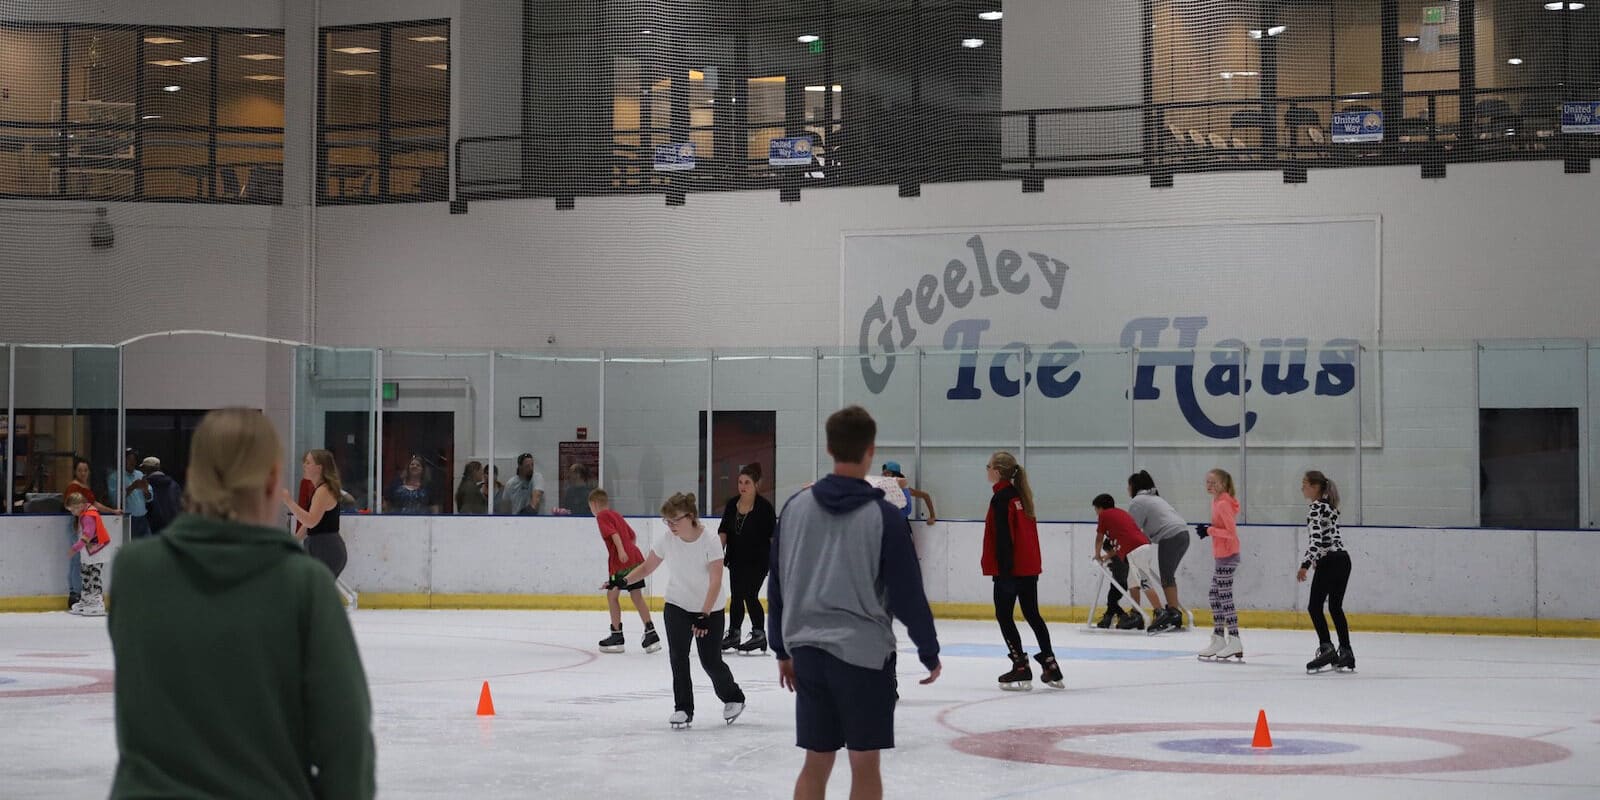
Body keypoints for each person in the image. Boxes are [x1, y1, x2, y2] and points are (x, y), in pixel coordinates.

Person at [107, 408, 375, 798]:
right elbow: (346, 741)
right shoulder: (303, 586)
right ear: (270, 480)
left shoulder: (134, 573)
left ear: (194, 475)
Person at [770, 405, 941, 800]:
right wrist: (928, 650)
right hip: (864, 657)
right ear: (870, 451)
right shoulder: (883, 517)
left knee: (816, 761)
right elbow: (907, 593)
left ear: (829, 448)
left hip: (808, 652)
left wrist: (782, 649)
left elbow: (777, 583)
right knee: (864, 763)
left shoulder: (794, 509)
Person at [615, 492, 745, 729]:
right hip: (677, 604)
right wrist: (624, 581)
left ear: (691, 516)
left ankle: (733, 696)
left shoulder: (710, 541)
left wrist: (704, 615)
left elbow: (716, 581)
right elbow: (647, 567)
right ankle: (683, 708)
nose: (671, 526)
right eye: (667, 521)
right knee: (678, 657)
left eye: (675, 520)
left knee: (710, 662)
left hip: (709, 608)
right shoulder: (667, 540)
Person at [980, 452, 1063, 691]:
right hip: (1027, 568)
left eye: (988, 467)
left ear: (997, 471)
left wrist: (1004, 572)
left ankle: (1020, 665)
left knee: (1004, 616)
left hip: (1011, 569)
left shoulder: (1001, 498)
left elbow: (1004, 537)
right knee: (1032, 614)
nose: (986, 471)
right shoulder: (1020, 496)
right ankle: (1050, 663)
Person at [717, 462, 777, 655]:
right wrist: (717, 555)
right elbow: (724, 531)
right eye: (740, 482)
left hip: (758, 560)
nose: (742, 486)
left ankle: (759, 633)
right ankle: (734, 632)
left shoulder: (765, 508)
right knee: (736, 596)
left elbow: (773, 537)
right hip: (736, 558)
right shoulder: (731, 504)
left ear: (756, 484)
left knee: (749, 594)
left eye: (747, 482)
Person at [1299, 470, 1355, 673]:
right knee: (1335, 607)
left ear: (1315, 487)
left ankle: (1327, 647)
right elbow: (1329, 538)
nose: (1302, 488)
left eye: (1304, 484)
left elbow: (1316, 541)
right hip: (1343, 560)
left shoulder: (1315, 508)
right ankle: (1346, 651)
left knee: (1314, 607)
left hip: (1329, 561)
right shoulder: (1330, 508)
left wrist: (1305, 564)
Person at [591, 488, 660, 654]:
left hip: (621, 561)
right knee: (636, 596)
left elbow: (614, 534)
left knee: (612, 595)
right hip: (635, 557)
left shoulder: (602, 516)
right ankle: (651, 633)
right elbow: (632, 535)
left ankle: (616, 634)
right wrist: (628, 550)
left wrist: (621, 551)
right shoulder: (616, 515)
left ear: (594, 505)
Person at [1091, 494, 1168, 631]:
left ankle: (1160, 611)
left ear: (1100, 508)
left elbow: (1099, 538)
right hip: (1139, 547)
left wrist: (1097, 555)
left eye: (1096, 510)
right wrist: (1107, 556)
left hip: (1135, 550)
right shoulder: (1120, 514)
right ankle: (1136, 613)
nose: (1096, 514)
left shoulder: (1105, 515)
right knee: (1133, 584)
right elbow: (1122, 540)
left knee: (1143, 582)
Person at [1126, 470, 1191, 633]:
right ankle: (1173, 611)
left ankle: (1173, 613)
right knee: (1167, 576)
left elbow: (1132, 530)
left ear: (1133, 486)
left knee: (1167, 577)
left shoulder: (1138, 502)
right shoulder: (1154, 498)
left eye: (1128, 486)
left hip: (1171, 536)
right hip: (1182, 533)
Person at [1197, 469, 1244, 662]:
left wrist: (1209, 530)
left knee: (1223, 595)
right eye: (1207, 482)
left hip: (1228, 555)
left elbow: (1231, 532)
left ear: (1223, 484)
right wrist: (1211, 531)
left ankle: (1234, 638)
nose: (1209, 486)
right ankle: (1219, 638)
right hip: (1222, 555)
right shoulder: (1217, 501)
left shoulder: (1223, 503)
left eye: (1213, 482)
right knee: (1215, 595)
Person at [282, 449, 348, 579]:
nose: (304, 466)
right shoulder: (320, 490)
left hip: (326, 549)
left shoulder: (323, 491)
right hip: (322, 547)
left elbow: (311, 521)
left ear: (319, 468)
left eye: (308, 462)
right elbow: (310, 523)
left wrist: (289, 502)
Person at [65, 492, 112, 616]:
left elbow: (87, 535)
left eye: (72, 510)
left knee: (94, 575)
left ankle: (97, 602)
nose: (72, 513)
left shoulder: (88, 516)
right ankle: (86, 599)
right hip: (88, 551)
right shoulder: (84, 514)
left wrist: (74, 548)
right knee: (85, 574)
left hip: (96, 551)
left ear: (79, 506)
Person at [880, 461, 937, 526]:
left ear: (895, 474)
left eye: (887, 473)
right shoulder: (882, 489)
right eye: (883, 473)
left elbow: (926, 496)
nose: (884, 476)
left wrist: (932, 516)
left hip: (900, 526)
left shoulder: (904, 489)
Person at [141, 456, 183, 534]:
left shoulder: (145, 485)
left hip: (151, 529)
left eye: (143, 469)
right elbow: (180, 506)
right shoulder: (174, 484)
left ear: (147, 469)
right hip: (172, 527)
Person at [121, 448, 154, 540]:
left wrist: (146, 490)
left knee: (147, 547)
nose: (132, 462)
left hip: (143, 519)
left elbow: (150, 497)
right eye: (129, 459)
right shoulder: (117, 477)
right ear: (123, 460)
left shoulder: (140, 475)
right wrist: (132, 487)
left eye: (134, 460)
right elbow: (116, 499)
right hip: (128, 519)